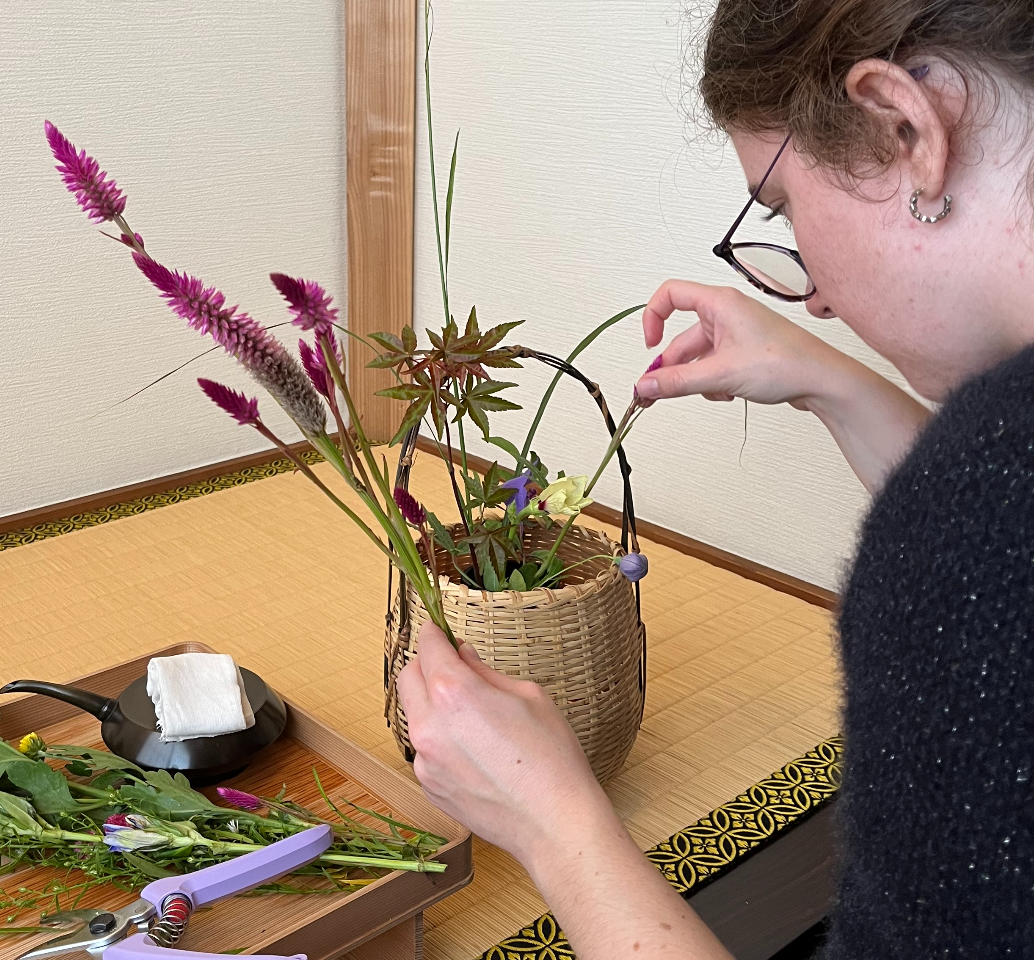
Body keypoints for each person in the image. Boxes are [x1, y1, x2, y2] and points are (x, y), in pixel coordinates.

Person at [397, 1, 1034, 956]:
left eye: (777, 211)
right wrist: (828, 379)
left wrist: (550, 823)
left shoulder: (976, 516)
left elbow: (990, 552)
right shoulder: (991, 487)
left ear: (905, 126)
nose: (811, 291)